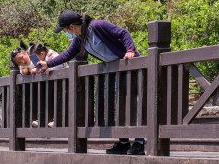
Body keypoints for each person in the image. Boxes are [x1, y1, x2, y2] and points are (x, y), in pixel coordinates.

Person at [41, 10, 144, 155]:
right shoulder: (80, 39)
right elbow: (68, 54)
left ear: (71, 27)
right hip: (115, 71)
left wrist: (130, 49)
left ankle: (140, 142)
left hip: (130, 66)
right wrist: (48, 64)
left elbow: (123, 33)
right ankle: (124, 142)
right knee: (117, 106)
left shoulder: (97, 26)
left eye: (64, 30)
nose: (65, 33)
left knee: (131, 105)